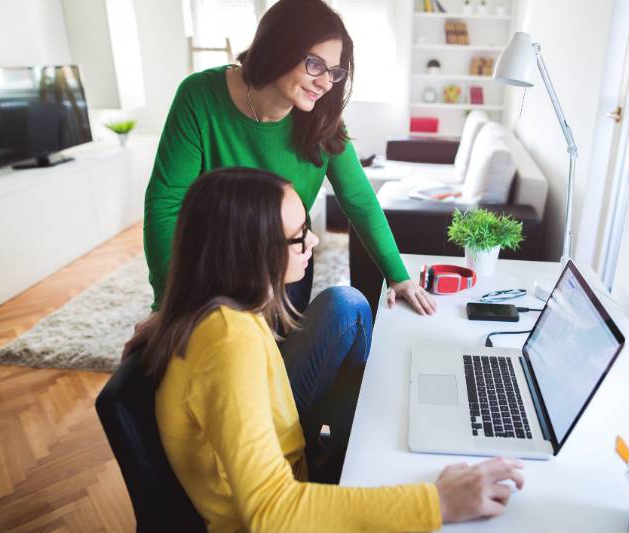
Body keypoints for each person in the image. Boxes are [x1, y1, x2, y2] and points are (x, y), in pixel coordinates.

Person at [130, 167, 524, 532]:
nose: (314, 241)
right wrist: (436, 503)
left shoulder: (222, 314)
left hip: (294, 466)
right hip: (288, 504)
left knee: (377, 366)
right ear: (251, 251)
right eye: (299, 234)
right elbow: (272, 511)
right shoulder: (228, 342)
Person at [143, 0, 435, 317]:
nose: (325, 83)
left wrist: (400, 276)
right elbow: (166, 203)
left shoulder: (324, 118)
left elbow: (360, 200)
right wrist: (166, 305)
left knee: (276, 359)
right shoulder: (200, 96)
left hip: (285, 265)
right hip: (216, 263)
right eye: (314, 64)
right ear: (278, 46)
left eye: (334, 72)